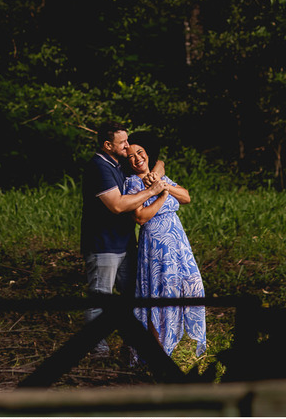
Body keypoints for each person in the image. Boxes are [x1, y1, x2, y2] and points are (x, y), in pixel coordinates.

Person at [80, 122, 166, 357]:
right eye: (123, 142)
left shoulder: (118, 164)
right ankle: (97, 350)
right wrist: (151, 190)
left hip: (126, 243)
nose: (128, 146)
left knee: (133, 295)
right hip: (103, 245)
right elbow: (117, 205)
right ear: (108, 145)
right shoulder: (99, 167)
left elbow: (159, 162)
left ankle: (133, 342)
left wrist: (153, 176)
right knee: (100, 297)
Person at [123, 133, 206, 361]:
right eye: (130, 156)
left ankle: (170, 342)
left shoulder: (160, 176)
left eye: (140, 152)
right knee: (158, 294)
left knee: (193, 286)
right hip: (156, 246)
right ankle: (156, 352)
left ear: (148, 153)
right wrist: (162, 194)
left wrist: (164, 184)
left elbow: (186, 197)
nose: (137, 158)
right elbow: (141, 217)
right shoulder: (132, 183)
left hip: (178, 242)